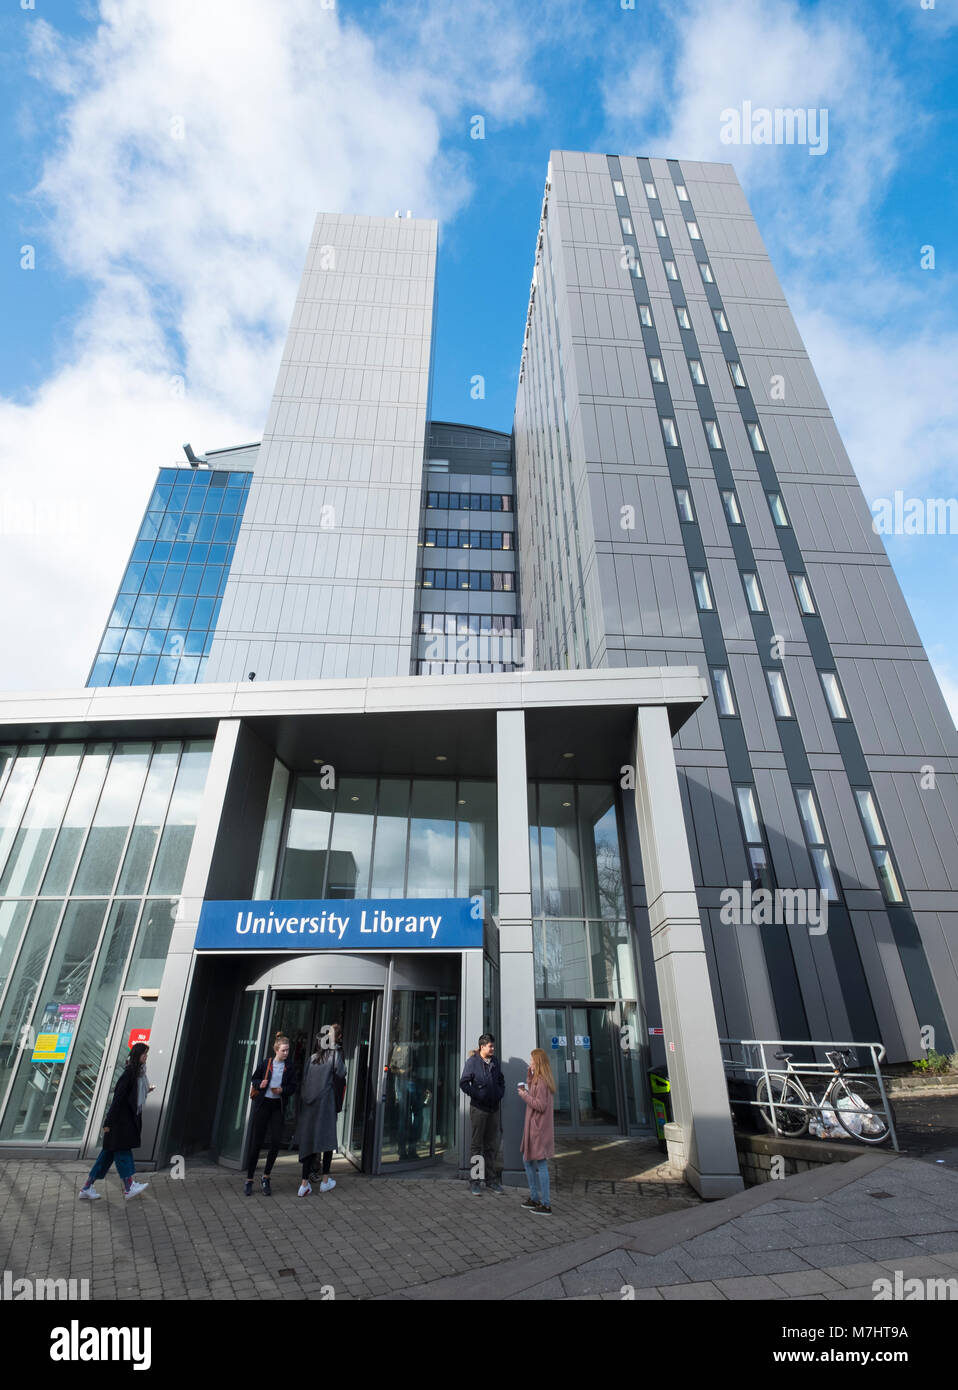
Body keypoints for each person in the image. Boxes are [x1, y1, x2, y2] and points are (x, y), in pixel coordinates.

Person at [78, 1042, 154, 1201]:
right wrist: (108, 1122)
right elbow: (118, 1099)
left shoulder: (138, 1074)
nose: (146, 1056)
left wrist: (147, 1090)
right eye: (144, 1054)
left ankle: (86, 1187)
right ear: (137, 1055)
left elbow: (134, 1094)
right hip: (120, 1122)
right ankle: (129, 1187)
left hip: (124, 1121)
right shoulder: (129, 1074)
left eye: (146, 1053)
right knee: (123, 1152)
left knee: (106, 1156)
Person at [244, 1032, 297, 1196]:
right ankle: (249, 1179)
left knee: (275, 1141)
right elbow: (254, 1079)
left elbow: (293, 1086)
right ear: (276, 1050)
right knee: (256, 1143)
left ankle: (266, 1177)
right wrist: (261, 1083)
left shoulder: (290, 1067)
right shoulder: (266, 1063)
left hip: (277, 1106)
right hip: (263, 1105)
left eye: (288, 1050)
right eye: (283, 1050)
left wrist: (283, 1090)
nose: (286, 1053)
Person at [295, 1024, 345, 1197]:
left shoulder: (312, 1058)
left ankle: (304, 1184)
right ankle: (325, 1181)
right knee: (327, 1141)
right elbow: (342, 1072)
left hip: (310, 1108)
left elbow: (305, 1081)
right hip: (326, 1106)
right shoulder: (334, 1056)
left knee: (309, 1143)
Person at [459, 1033, 505, 1195]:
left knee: (491, 1146)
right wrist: (478, 1094)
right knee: (477, 1145)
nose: (493, 1048)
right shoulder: (472, 1062)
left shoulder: (495, 1062)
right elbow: (464, 1083)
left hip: (493, 1109)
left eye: (493, 1045)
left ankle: (491, 1180)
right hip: (479, 1109)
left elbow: (501, 1080)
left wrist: (499, 1093)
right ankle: (475, 1181)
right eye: (490, 1046)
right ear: (482, 1046)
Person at [518, 1048, 556, 1215]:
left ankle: (545, 1204)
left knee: (540, 1164)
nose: (530, 1062)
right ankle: (535, 1198)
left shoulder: (541, 1082)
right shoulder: (539, 1079)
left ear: (538, 1062)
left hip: (537, 1129)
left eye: (532, 1060)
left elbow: (540, 1105)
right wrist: (529, 1076)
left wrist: (524, 1095)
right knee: (528, 1160)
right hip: (535, 1128)